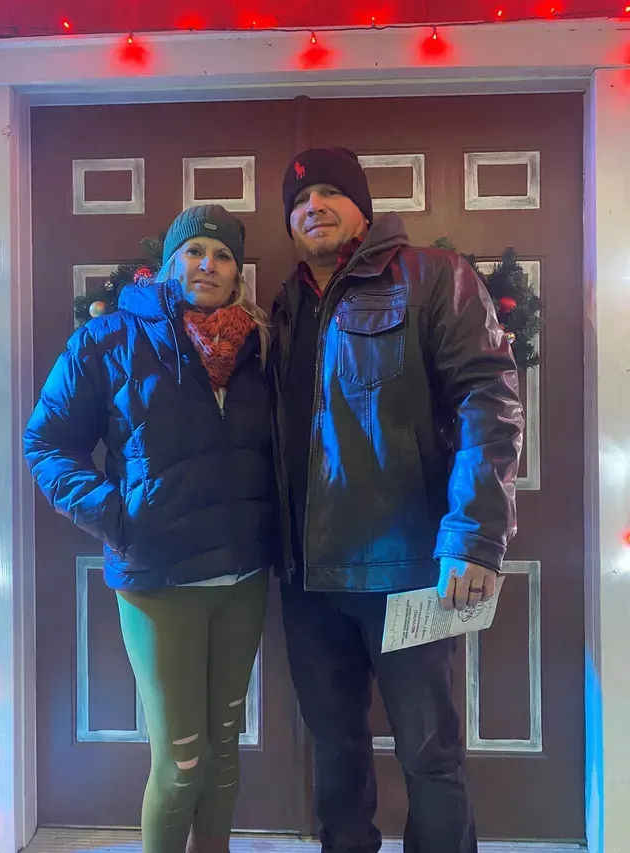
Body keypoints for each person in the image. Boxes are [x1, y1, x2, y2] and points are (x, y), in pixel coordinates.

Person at [269, 147, 524, 853]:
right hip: (307, 580)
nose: (312, 206)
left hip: (406, 567)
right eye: (298, 199)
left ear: (362, 206)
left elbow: (489, 398)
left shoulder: (433, 277)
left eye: (328, 192)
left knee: (429, 754)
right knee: (335, 749)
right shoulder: (286, 305)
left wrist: (474, 534)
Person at [24, 205, 275, 853]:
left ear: (236, 272)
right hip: (160, 582)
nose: (208, 266)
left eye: (221, 256)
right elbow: (47, 442)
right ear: (170, 263)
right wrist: (113, 515)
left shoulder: (261, 344)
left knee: (224, 758)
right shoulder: (107, 341)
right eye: (194, 252)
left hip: (244, 577)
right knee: (181, 761)